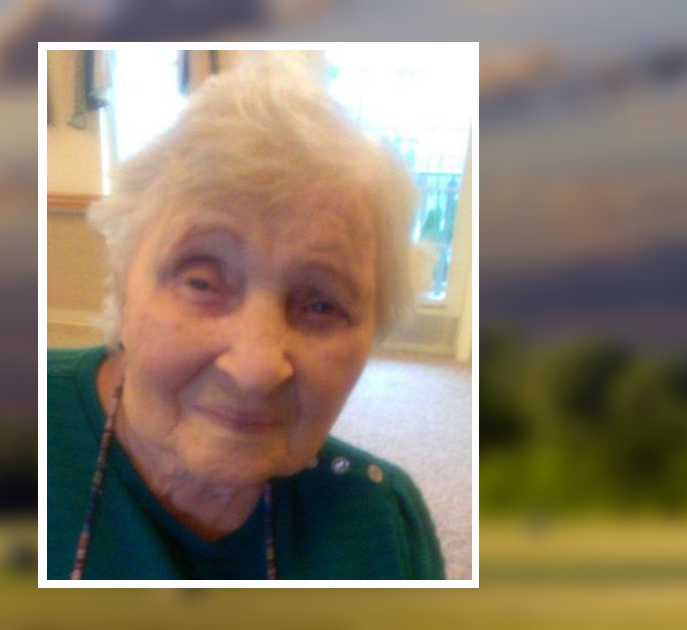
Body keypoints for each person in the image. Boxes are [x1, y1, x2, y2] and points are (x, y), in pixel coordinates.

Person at [47, 53, 445, 580]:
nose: (257, 369)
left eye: (321, 305)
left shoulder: (380, 526)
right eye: (202, 283)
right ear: (123, 282)